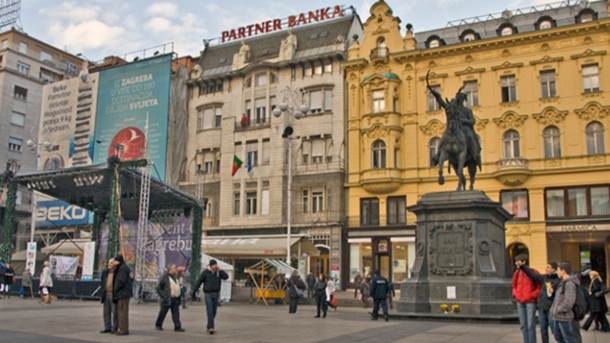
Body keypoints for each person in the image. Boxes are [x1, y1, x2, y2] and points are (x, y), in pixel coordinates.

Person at [521, 262, 560, 343]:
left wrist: (553, 288)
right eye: (546, 267)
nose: (546, 269)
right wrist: (523, 266)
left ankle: (561, 340)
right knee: (543, 329)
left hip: (551, 308)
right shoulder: (543, 278)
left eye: (548, 267)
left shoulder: (558, 280)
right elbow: (532, 275)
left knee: (554, 329)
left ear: (554, 269)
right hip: (542, 307)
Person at [192, 259, 229, 335]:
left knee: (214, 311)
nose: (215, 266)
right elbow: (199, 281)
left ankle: (209, 325)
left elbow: (226, 277)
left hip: (216, 293)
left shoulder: (218, 272)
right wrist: (194, 291)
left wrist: (221, 270)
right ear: (210, 266)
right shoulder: (205, 272)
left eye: (216, 265)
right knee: (210, 310)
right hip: (208, 293)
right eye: (214, 265)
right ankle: (211, 328)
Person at [512, 254, 541, 343]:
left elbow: (539, 287)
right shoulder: (517, 273)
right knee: (523, 325)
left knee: (530, 325)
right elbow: (514, 286)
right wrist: (516, 295)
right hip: (520, 301)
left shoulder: (534, 272)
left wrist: (532, 295)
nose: (516, 263)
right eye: (516, 261)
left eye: (518, 261)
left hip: (530, 302)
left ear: (524, 262)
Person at [550, 262, 578, 343]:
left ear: (563, 271)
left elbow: (569, 302)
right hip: (558, 316)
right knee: (559, 338)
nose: (556, 272)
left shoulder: (569, 283)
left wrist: (557, 309)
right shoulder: (563, 282)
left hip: (564, 317)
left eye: (558, 270)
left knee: (569, 339)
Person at [155, 264, 185, 332]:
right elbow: (158, 288)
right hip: (167, 298)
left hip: (176, 298)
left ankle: (177, 326)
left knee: (176, 313)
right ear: (170, 270)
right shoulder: (165, 277)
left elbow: (181, 277)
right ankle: (158, 325)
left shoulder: (176, 277)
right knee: (163, 312)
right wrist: (163, 296)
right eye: (174, 268)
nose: (175, 269)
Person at [113, 254, 133, 336]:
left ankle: (123, 329)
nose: (114, 262)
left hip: (122, 293)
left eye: (115, 261)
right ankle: (123, 328)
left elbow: (120, 281)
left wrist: (115, 289)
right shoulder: (124, 267)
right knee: (122, 312)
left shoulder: (122, 269)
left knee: (122, 312)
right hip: (124, 293)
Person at [100, 258, 117, 334]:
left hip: (113, 294)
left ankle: (114, 328)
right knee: (106, 312)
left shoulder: (117, 272)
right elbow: (102, 282)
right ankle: (107, 327)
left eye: (111, 263)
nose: (109, 264)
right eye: (109, 263)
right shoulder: (105, 272)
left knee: (114, 312)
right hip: (106, 293)